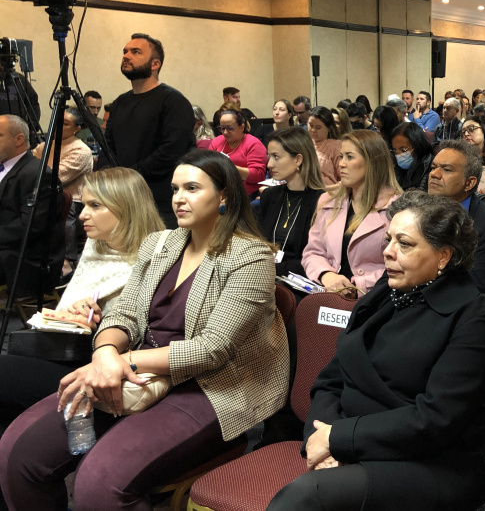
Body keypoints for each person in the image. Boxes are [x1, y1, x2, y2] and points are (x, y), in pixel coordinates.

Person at [0, 149, 289, 511]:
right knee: (20, 459)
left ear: (225, 196)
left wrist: (126, 361)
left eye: (192, 188)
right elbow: (126, 312)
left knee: (97, 484)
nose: (179, 198)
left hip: (209, 386)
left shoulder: (250, 256)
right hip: (135, 370)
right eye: (174, 189)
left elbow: (213, 348)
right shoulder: (161, 244)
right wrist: (105, 353)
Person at [268, 190, 485, 511]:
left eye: (404, 244)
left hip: (431, 462)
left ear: (443, 256)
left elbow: (435, 421)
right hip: (354, 440)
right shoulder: (384, 292)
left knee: (306, 497)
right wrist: (319, 439)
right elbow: (331, 379)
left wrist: (339, 440)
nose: (387, 252)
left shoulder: (472, 320)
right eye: (389, 239)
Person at [0, 167, 164, 422]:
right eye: (85, 204)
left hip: (103, 368)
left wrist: (99, 323)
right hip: (65, 349)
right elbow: (75, 305)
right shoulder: (98, 244)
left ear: (126, 207)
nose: (82, 215)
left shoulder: (155, 259)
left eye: (95, 205)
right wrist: (76, 312)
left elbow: (148, 337)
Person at [102, 33, 195, 228]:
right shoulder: (119, 103)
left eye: (135, 52)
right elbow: (108, 147)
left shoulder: (173, 101)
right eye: (125, 51)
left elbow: (171, 151)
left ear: (155, 64)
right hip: (125, 198)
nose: (126, 56)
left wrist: (131, 177)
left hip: (162, 203)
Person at [302, 130, 401, 296]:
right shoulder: (328, 201)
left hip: (376, 297)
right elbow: (312, 252)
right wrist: (326, 275)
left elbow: (402, 264)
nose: (341, 164)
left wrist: (358, 285)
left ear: (372, 162)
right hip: (330, 292)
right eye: (341, 156)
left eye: (349, 157)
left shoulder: (398, 208)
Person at [427, 140, 485, 296]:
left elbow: (475, 286)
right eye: (433, 167)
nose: (434, 174)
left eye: (447, 170)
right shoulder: (416, 212)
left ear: (469, 183)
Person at [0, 114, 64, 294]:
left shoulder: (38, 174)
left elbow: (31, 226)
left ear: (19, 139)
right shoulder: (5, 166)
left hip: (27, 257)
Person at [257, 128, 325, 278]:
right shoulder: (269, 196)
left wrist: (273, 270)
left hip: (298, 280)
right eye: (269, 156)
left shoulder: (321, 201)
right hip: (267, 276)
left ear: (298, 160)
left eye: (276, 156)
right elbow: (258, 245)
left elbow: (314, 259)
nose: (269, 164)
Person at [31, 107, 94, 268]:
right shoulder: (45, 145)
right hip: (43, 193)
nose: (59, 126)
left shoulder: (81, 150)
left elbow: (56, 178)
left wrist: (33, 174)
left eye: (65, 123)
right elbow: (29, 168)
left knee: (62, 202)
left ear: (76, 129)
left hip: (74, 199)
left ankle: (68, 259)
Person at [209, 109, 268, 198]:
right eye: (222, 128)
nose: (225, 132)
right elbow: (208, 165)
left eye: (230, 128)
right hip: (219, 190)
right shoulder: (217, 141)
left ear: (242, 127)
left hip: (245, 194)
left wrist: (230, 167)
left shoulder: (253, 144)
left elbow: (258, 175)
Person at [390, 122, 433, 191]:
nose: (398, 155)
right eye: (395, 151)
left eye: (403, 150)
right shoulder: (395, 168)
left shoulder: (430, 169)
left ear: (417, 146)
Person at [308, 106, 343, 187]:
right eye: (310, 125)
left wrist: (327, 189)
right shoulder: (305, 143)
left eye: (318, 127)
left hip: (328, 192)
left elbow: (345, 179)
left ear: (329, 128)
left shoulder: (336, 146)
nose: (313, 130)